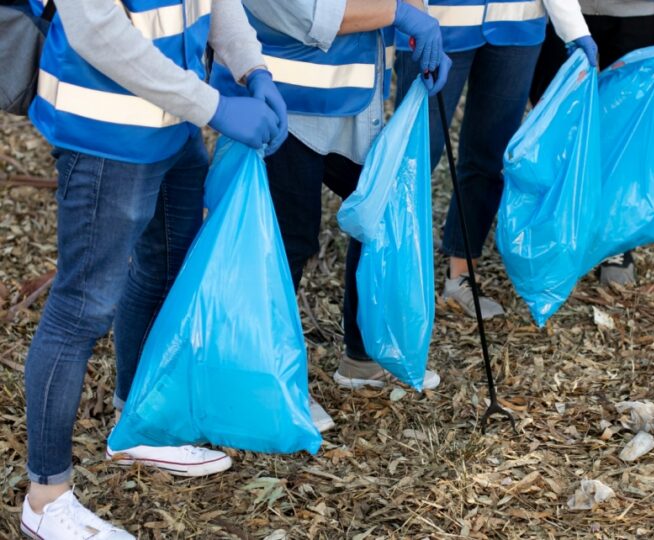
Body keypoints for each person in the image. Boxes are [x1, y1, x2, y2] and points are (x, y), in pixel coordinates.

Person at [20, 0, 287, 536]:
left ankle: (137, 420)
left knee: (166, 259)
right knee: (79, 311)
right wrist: (213, 106)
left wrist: (252, 67)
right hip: (106, 136)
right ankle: (45, 500)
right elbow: (95, 29)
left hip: (175, 123)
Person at [212, 0, 451, 433]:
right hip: (286, 105)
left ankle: (362, 357)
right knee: (288, 241)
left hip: (354, 100)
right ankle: (269, 382)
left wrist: (422, 27)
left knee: (376, 212)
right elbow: (310, 12)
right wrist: (402, 14)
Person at [394, 0, 597, 319]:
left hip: (517, 25)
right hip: (438, 22)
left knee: (488, 158)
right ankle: (393, 280)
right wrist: (411, 17)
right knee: (412, 158)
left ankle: (460, 278)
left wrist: (573, 29)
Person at [529, 0, 654, 285]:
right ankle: (557, 232)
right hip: (561, 12)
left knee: (623, 128)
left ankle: (613, 242)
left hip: (637, 14)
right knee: (557, 123)